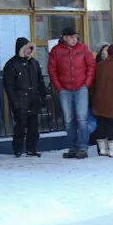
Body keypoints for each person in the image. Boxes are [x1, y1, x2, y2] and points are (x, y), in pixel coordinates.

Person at [48, 26, 95, 159]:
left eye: (75, 37)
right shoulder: (56, 51)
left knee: (82, 119)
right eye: (71, 37)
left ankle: (83, 148)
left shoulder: (83, 48)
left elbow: (91, 65)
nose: (74, 39)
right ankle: (73, 148)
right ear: (64, 37)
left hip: (81, 88)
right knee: (69, 121)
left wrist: (86, 84)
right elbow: (52, 70)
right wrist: (59, 87)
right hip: (65, 89)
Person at [3, 37, 47, 157]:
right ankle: (17, 149)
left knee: (34, 127)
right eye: (26, 48)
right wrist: (14, 102)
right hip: (20, 100)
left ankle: (31, 149)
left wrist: (43, 96)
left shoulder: (34, 63)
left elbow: (40, 81)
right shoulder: (11, 64)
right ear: (20, 49)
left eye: (30, 48)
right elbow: (9, 86)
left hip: (33, 99)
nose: (29, 51)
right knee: (20, 127)